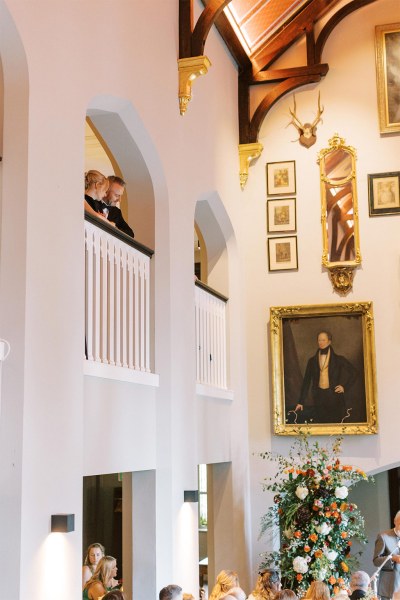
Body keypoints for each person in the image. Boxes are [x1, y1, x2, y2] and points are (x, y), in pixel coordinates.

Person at [294, 330, 357, 423]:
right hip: (318, 399)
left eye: (323, 340)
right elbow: (306, 381)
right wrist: (301, 402)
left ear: (329, 341)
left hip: (335, 399)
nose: (321, 342)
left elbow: (354, 373)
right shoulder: (312, 361)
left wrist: (344, 387)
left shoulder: (339, 359)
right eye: (319, 340)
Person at [373, 511, 400, 600]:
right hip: (390, 586)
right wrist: (393, 558)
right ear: (395, 521)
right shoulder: (383, 536)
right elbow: (376, 560)